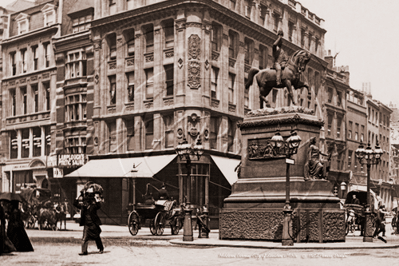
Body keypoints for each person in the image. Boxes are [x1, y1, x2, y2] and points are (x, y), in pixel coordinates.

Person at [73, 189, 104, 255]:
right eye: (84, 202)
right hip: (87, 224)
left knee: (97, 237)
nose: (85, 203)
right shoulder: (83, 207)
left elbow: (99, 205)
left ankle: (101, 248)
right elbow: (75, 204)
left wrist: (96, 198)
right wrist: (79, 196)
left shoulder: (93, 206)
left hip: (93, 224)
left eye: (86, 202)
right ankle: (84, 251)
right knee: (84, 238)